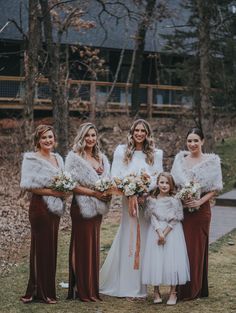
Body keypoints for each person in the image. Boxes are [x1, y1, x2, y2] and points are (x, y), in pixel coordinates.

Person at [99, 119, 163, 298]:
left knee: (143, 241)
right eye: (137, 130)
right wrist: (130, 191)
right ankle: (127, 286)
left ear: (148, 134)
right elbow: (115, 176)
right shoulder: (122, 151)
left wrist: (143, 191)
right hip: (129, 203)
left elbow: (157, 177)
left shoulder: (156, 154)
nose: (140, 133)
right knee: (129, 239)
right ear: (132, 132)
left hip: (146, 202)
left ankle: (141, 286)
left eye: (143, 131)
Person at [171, 127, 223, 301]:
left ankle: (195, 289)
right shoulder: (179, 160)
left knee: (197, 248)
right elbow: (173, 186)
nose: (192, 144)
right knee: (181, 248)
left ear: (202, 141)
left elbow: (215, 188)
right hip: (183, 211)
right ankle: (179, 288)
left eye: (195, 140)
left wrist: (199, 201)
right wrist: (181, 198)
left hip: (201, 211)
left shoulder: (212, 161)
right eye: (189, 141)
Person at [20, 124, 68, 304]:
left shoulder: (58, 158)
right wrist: (54, 193)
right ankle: (39, 291)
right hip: (39, 207)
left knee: (52, 246)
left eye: (50, 137)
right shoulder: (31, 159)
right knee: (41, 247)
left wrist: (64, 191)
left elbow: (63, 181)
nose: (48, 140)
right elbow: (30, 186)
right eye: (44, 138)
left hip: (55, 208)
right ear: (38, 141)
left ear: (54, 140)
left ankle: (47, 289)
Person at [65, 122, 111, 302]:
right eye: (87, 136)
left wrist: (107, 194)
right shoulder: (74, 158)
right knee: (80, 245)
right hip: (81, 207)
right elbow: (71, 185)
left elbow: (107, 181)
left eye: (93, 135)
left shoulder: (101, 158)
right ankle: (79, 286)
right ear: (81, 137)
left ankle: (91, 285)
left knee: (92, 245)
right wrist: (94, 193)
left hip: (98, 209)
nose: (91, 139)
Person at [142, 172, 190, 305]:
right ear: (157, 183)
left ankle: (173, 292)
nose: (164, 185)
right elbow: (152, 216)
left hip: (172, 231)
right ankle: (156, 291)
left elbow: (176, 218)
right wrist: (159, 232)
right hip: (156, 231)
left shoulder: (175, 200)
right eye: (162, 182)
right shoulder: (152, 199)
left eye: (167, 183)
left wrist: (166, 232)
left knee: (172, 260)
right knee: (156, 260)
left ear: (171, 185)